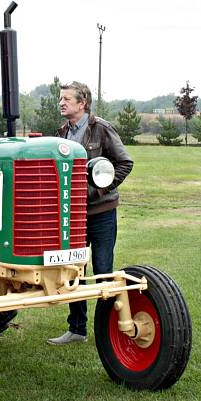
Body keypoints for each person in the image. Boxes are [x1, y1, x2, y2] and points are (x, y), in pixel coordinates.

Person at [47, 81, 134, 345]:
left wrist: (99, 190)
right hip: (73, 216)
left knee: (103, 271)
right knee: (74, 271)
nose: (61, 103)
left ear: (82, 103)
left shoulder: (101, 129)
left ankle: (109, 334)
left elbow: (125, 163)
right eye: (60, 99)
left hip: (102, 212)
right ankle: (77, 330)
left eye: (66, 99)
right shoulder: (62, 133)